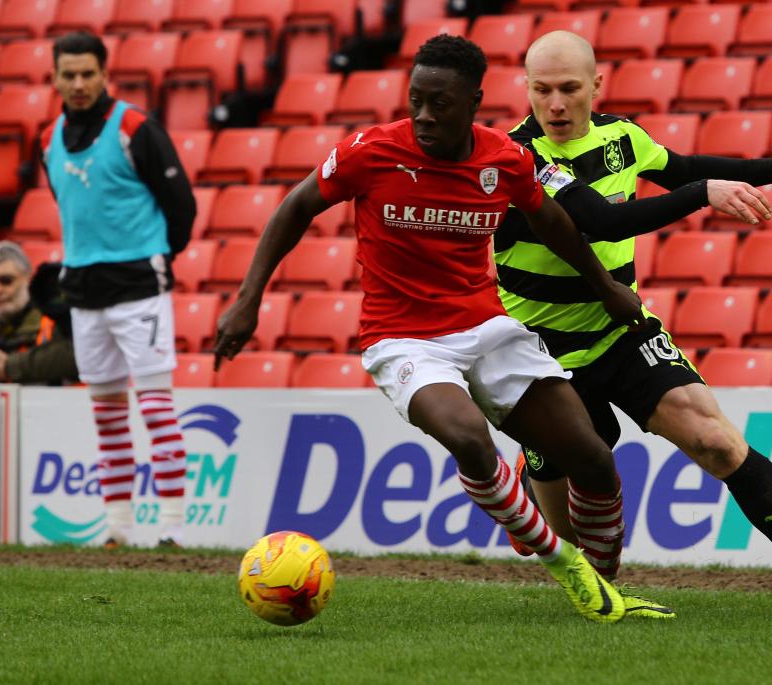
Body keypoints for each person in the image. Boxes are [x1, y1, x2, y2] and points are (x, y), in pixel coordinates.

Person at [217, 35, 668, 624]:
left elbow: (551, 219)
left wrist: (606, 285)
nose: (425, 116)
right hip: (401, 337)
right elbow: (297, 205)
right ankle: (568, 567)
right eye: (416, 101)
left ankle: (602, 589)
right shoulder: (371, 151)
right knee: (471, 440)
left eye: (441, 104)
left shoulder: (503, 158)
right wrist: (249, 298)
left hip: (485, 326)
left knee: (593, 459)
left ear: (475, 102)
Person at [494, 30, 772, 620]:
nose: (557, 105)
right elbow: (600, 222)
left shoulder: (623, 138)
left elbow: (689, 166)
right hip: (542, 352)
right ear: (526, 89)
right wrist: (701, 194)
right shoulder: (515, 155)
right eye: (542, 90)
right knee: (580, 545)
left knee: (717, 441)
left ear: (596, 85)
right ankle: (539, 469)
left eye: (570, 89)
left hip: (622, 331)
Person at [41, 32, 197, 549]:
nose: (79, 83)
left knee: (155, 406)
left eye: (88, 73)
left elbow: (181, 204)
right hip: (83, 295)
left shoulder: (133, 126)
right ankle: (117, 530)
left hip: (139, 289)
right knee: (106, 413)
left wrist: (158, 257)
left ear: (106, 73)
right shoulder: (49, 139)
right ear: (56, 78)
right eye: (69, 74)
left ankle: (172, 528)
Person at [0, 241, 78, 385]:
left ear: (28, 280)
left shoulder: (56, 320)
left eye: (6, 280)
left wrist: (8, 366)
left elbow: (78, 354)